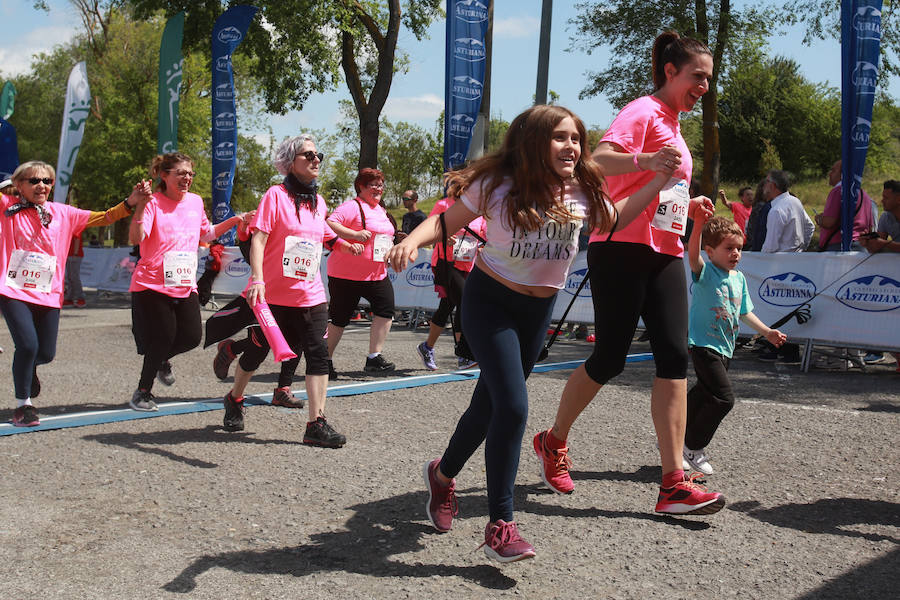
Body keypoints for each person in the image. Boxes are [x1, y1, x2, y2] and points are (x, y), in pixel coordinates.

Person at [388, 104, 671, 563]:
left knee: (487, 407)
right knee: (514, 406)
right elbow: (446, 221)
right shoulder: (497, 185)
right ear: (533, 142)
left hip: (536, 312)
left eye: (577, 139)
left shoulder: (583, 188)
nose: (572, 146)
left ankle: (442, 476)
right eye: (560, 137)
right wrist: (410, 241)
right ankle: (502, 523)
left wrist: (657, 179)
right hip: (490, 302)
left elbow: (612, 221)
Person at [533, 31, 725, 517]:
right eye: (696, 76)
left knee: (675, 358)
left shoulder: (678, 125)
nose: (703, 85)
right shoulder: (643, 111)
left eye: (708, 79)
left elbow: (662, 184)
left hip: (664, 252)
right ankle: (552, 440)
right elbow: (598, 161)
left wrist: (688, 204)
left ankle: (673, 482)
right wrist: (645, 160)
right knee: (610, 359)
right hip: (619, 247)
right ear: (670, 72)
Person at [223, 135, 358, 444]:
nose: (316, 159)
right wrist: (257, 279)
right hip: (273, 297)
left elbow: (322, 232)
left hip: (310, 295)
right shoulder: (275, 195)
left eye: (317, 154)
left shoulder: (318, 202)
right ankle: (234, 398)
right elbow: (258, 239)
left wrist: (345, 245)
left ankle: (316, 423)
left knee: (318, 355)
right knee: (256, 352)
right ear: (290, 162)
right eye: (307, 155)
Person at [1, 160, 146, 426]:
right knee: (27, 345)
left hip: (49, 293)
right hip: (13, 290)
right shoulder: (6, 209)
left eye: (47, 181)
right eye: (34, 181)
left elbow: (105, 217)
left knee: (45, 353)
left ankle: (29, 367)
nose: (42, 186)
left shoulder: (63, 213)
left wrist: (130, 202)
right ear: (19, 185)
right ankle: (24, 406)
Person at [128, 152, 244, 412]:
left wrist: (235, 221)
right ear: (164, 175)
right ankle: (142, 392)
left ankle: (160, 360)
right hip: (152, 284)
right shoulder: (152, 202)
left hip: (183, 281)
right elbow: (137, 238)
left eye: (190, 173)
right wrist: (139, 206)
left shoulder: (194, 202)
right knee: (163, 337)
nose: (187, 178)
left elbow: (206, 233)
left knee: (192, 337)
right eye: (181, 173)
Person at [683, 215, 787, 474]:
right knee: (723, 399)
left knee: (704, 394)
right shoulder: (705, 273)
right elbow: (692, 254)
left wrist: (767, 332)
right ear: (710, 251)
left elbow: (744, 311)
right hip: (703, 344)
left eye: (739, 248)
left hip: (725, 347)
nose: (736, 253)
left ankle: (674, 435)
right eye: (729, 248)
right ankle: (692, 447)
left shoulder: (738, 278)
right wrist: (697, 225)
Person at [325, 168, 397, 378]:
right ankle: (324, 361)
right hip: (346, 275)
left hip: (376, 273)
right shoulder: (351, 207)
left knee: (386, 310)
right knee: (339, 319)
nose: (378, 189)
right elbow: (329, 224)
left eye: (380, 185)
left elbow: (385, 237)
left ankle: (374, 357)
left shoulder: (381, 210)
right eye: (373, 185)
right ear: (361, 187)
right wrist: (354, 234)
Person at [415, 195, 486, 371]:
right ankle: (464, 354)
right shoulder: (443, 204)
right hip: (445, 262)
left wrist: (485, 245)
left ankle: (427, 347)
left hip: (468, 264)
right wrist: (443, 237)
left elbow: (485, 234)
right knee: (465, 301)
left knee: (447, 305)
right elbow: (431, 231)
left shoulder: (480, 207)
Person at [757, 169, 814, 364]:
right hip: (796, 261)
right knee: (789, 306)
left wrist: (760, 263)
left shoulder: (776, 210)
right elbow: (810, 226)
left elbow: (770, 246)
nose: (763, 188)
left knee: (775, 306)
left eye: (766, 184)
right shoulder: (795, 202)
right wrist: (801, 248)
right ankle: (788, 350)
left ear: (772, 186)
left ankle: (778, 347)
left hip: (778, 264)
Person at [859, 180, 900, 370]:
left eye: (886, 197)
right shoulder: (885, 216)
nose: (882, 200)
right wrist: (869, 242)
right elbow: (880, 242)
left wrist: (884, 244)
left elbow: (885, 243)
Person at [815, 160, 875, 252]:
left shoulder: (838, 191)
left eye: (833, 170)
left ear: (843, 174)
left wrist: (819, 218)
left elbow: (829, 222)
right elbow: (870, 227)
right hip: (860, 247)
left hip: (839, 246)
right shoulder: (864, 195)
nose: (830, 174)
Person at [62, 232, 86, 307]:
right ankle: (69, 298)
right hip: (69, 254)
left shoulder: (76, 227)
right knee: (69, 277)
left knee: (74, 277)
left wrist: (75, 253)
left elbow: (77, 240)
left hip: (75, 255)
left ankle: (80, 298)